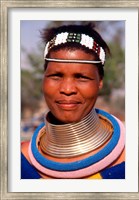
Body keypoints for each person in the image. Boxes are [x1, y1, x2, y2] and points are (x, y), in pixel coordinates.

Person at [21, 23, 125, 179]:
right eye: (56, 76)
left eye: (82, 77)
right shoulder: (18, 162)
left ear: (100, 82)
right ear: (43, 78)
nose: (67, 89)